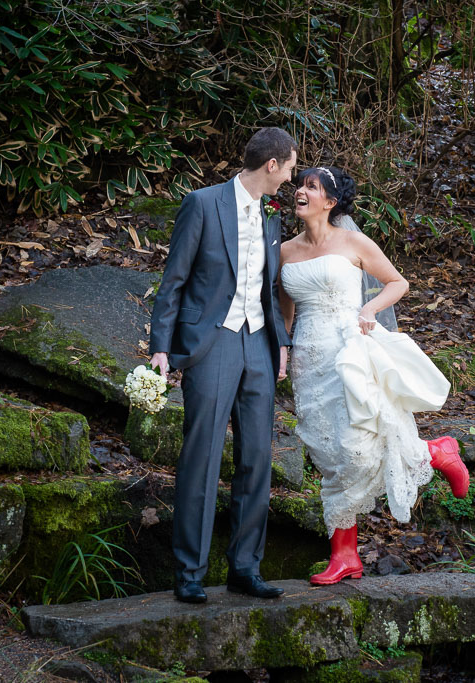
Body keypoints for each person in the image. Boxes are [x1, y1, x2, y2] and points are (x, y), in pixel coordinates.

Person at [279, 165, 469, 586]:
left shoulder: (353, 242)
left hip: (349, 352)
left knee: (360, 448)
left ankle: (434, 453)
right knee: (328, 456)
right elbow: (285, 310)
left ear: (330, 202)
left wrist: (369, 309)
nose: (301, 191)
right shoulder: (285, 251)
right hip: (309, 362)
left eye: (311, 187)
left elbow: (397, 283)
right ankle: (345, 557)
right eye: (300, 185)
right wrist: (283, 350)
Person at [149, 127, 297, 603]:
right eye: (291, 167)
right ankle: (189, 573)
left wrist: (281, 344)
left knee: (256, 458)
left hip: (258, 342)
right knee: (202, 457)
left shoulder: (273, 215)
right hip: (211, 341)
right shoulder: (203, 203)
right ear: (271, 165)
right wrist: (161, 347)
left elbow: (268, 287)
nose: (292, 177)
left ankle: (245, 568)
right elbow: (173, 281)